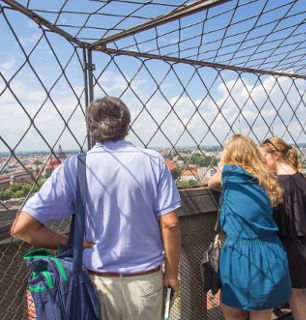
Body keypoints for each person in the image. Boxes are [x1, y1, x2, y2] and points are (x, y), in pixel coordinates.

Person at [11, 96, 181, 320]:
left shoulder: (74, 167)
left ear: (91, 128)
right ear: (127, 125)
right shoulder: (153, 161)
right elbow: (170, 223)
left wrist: (68, 242)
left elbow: (22, 228)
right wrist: (171, 273)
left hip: (96, 284)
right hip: (145, 281)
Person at [208, 134, 292, 320]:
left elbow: (212, 183)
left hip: (240, 254)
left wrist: (224, 167)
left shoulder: (229, 174)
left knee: (232, 313)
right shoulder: (266, 180)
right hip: (270, 252)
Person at [260, 137, 306, 320]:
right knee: (300, 290)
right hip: (304, 243)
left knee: (294, 292)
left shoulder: (279, 184)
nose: (262, 162)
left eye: (264, 158)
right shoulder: (300, 177)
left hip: (289, 246)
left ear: (276, 155)